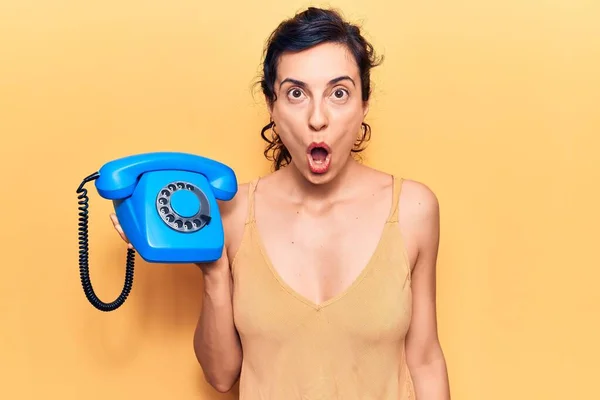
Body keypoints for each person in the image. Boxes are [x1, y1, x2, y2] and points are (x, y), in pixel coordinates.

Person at [111, 6, 451, 399]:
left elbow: (425, 360)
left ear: (364, 105)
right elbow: (221, 376)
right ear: (272, 106)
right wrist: (213, 268)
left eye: (338, 93)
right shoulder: (233, 211)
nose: (317, 118)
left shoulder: (413, 210)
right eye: (296, 93)